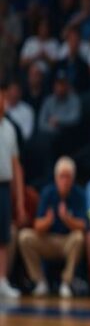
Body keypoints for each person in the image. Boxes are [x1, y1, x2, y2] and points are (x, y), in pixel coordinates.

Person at [19, 156, 87, 298]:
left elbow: (83, 225)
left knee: (79, 238)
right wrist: (48, 221)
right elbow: (37, 225)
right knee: (25, 236)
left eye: (68, 177)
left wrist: (67, 219)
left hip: (67, 241)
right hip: (48, 239)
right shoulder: (47, 193)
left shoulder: (79, 194)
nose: (64, 181)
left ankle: (66, 282)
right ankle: (40, 281)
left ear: (73, 179)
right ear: (56, 178)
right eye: (62, 177)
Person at [0, 81, 26, 299]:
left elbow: (16, 165)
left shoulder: (10, 128)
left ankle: (2, 280)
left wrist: (19, 200)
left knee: (4, 235)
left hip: (4, 186)